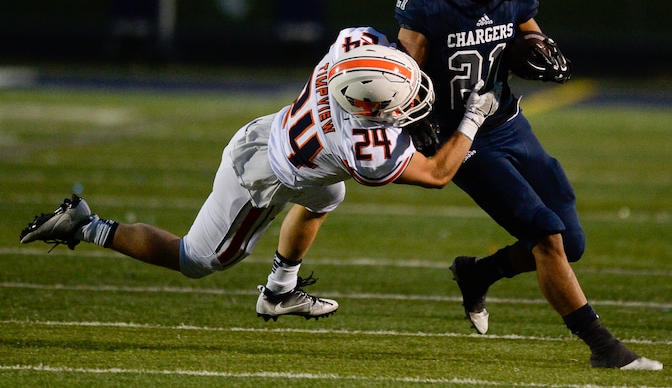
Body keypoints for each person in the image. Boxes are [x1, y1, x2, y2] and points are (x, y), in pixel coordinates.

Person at [19, 26, 499, 322]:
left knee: (327, 194)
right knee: (196, 259)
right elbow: (437, 174)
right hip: (262, 178)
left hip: (279, 136)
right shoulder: (365, 146)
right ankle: (85, 224)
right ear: (367, 108)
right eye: (400, 101)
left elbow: (387, 53)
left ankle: (279, 292)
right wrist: (473, 117)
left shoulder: (351, 46)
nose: (411, 102)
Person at [394, 0, 662, 370]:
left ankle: (477, 273)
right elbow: (405, 69)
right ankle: (602, 346)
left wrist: (539, 49)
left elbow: (528, 32)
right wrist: (417, 119)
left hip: (508, 120)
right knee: (546, 235)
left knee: (570, 241)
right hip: (462, 136)